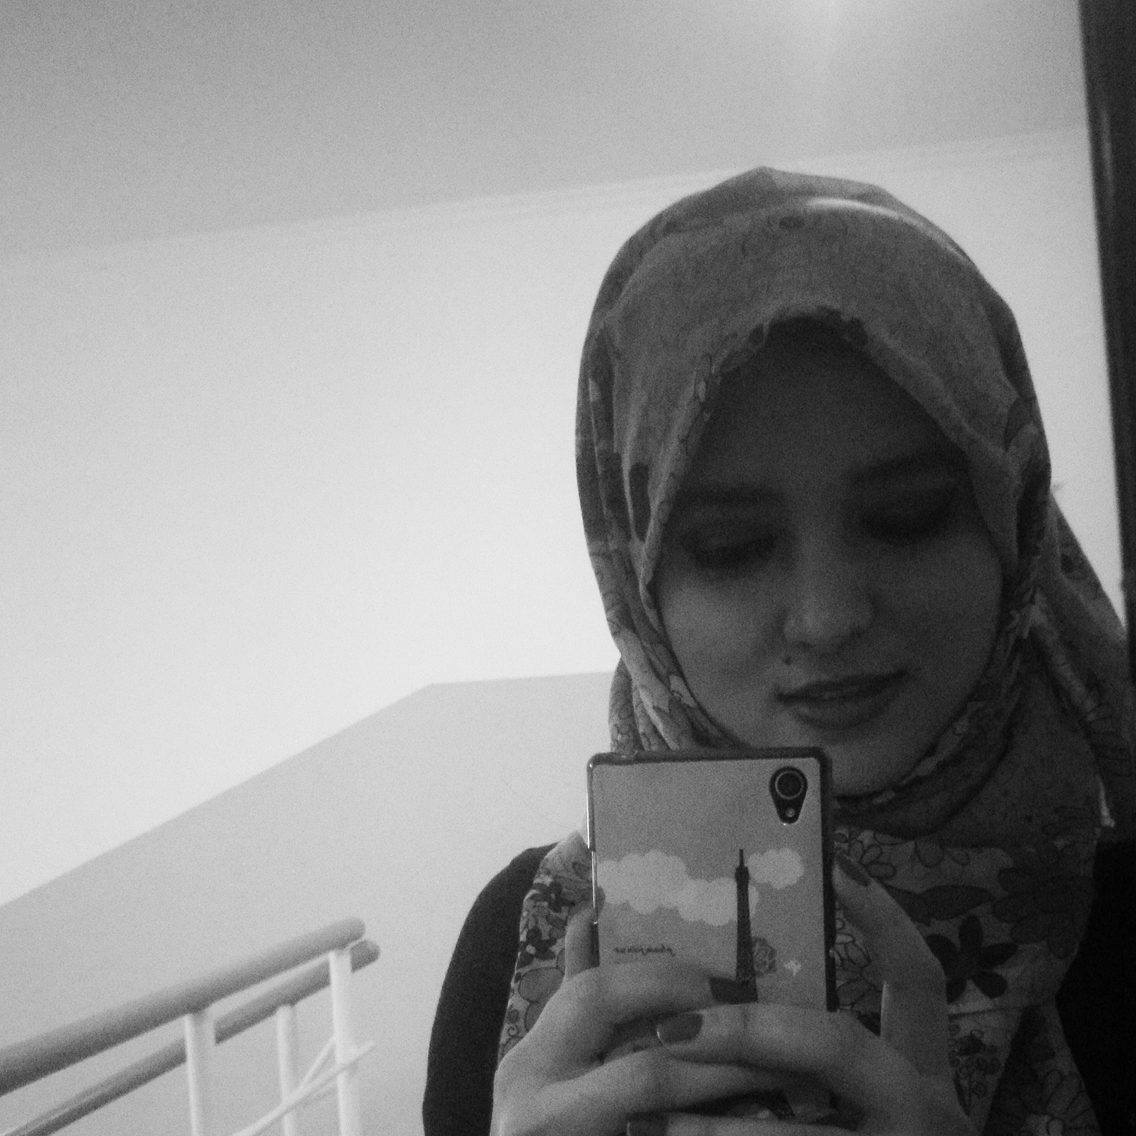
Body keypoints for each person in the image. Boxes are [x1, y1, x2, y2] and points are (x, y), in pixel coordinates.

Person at [423, 168, 1136, 1135]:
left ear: (1014, 528)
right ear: (637, 584)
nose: (829, 616)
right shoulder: (529, 950)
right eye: (729, 547)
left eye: (910, 516)